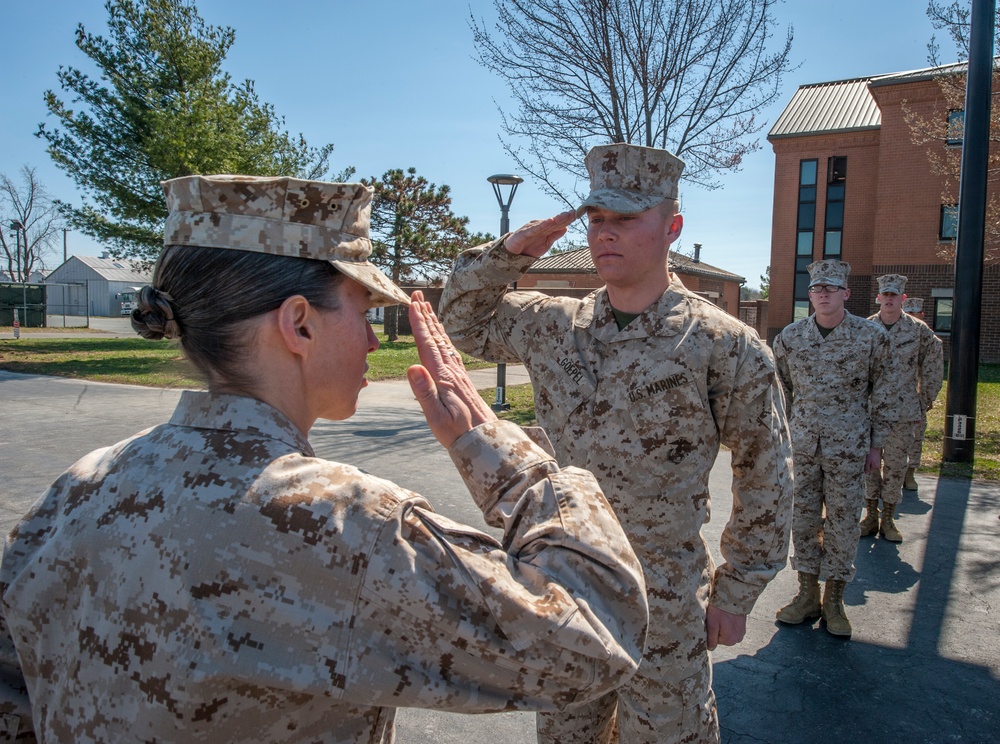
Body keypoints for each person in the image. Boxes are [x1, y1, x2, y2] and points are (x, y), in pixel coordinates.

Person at [0, 175, 650, 743]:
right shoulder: (333, 521)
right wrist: (495, 446)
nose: (373, 338)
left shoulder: (74, 494)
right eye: (363, 309)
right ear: (299, 324)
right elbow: (594, 633)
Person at [440, 143, 793, 744]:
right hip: (566, 589)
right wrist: (506, 254)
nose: (605, 233)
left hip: (664, 598)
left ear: (671, 227)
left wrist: (737, 591)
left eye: (626, 218)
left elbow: (767, 472)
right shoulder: (553, 324)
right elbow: (462, 322)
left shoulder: (722, 345)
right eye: (597, 219)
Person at [772, 260, 895, 638]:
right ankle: (807, 594)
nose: (823, 294)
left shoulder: (872, 337)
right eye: (816, 289)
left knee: (843, 521)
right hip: (804, 445)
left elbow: (883, 393)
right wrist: (784, 441)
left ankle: (834, 600)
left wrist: (877, 446)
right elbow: (783, 392)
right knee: (803, 520)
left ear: (846, 293)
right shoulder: (790, 338)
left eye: (830, 288)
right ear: (810, 295)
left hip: (850, 446)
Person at [863, 276, 944, 538]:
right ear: (878, 297)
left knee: (896, 467)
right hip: (870, 412)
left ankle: (888, 519)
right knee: (869, 468)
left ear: (903, 299)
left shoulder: (919, 331)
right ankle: (870, 516)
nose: (888, 299)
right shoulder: (865, 328)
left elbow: (933, 365)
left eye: (894, 295)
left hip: (903, 412)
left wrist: (925, 400)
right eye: (884, 295)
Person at [901, 296, 942, 490]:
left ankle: (910, 473)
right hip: (887, 396)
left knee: (915, 437)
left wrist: (927, 396)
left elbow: (932, 369)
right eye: (908, 313)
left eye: (914, 313)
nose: (911, 316)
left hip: (914, 397)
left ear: (922, 314)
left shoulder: (926, 337)